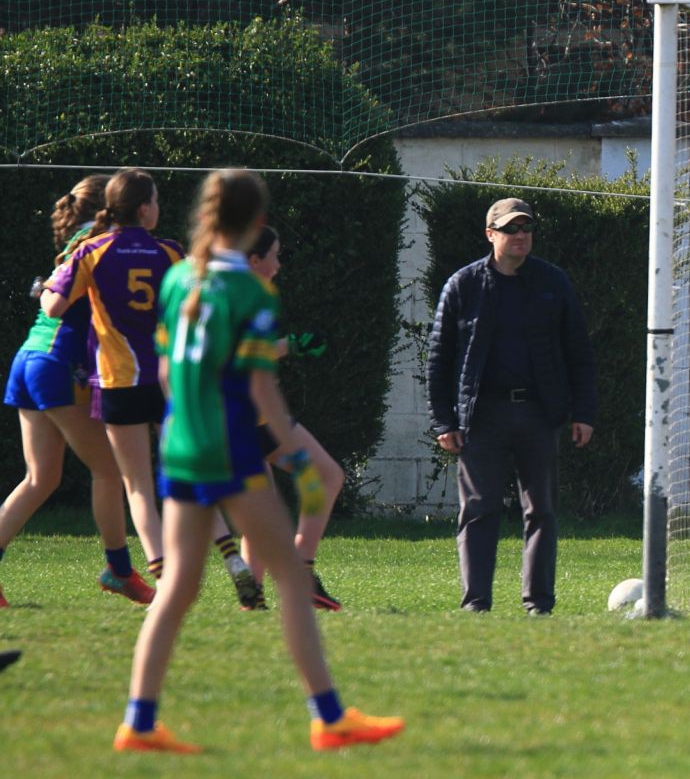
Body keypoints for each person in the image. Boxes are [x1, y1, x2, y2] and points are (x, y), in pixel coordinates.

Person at [113, 168, 403, 753]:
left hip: (180, 447)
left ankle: (138, 723)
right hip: (229, 449)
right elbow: (261, 390)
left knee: (179, 588)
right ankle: (328, 717)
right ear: (257, 222)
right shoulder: (250, 292)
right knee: (293, 577)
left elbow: (168, 373)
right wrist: (298, 459)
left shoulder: (179, 280)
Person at [41, 169, 258, 608]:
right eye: (156, 200)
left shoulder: (92, 251)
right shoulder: (169, 251)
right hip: (167, 379)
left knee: (138, 486)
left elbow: (54, 306)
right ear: (144, 208)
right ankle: (234, 561)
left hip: (118, 381)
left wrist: (52, 281)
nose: (159, 207)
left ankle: (164, 582)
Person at [427, 197, 597, 615]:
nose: (520, 235)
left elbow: (579, 351)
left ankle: (539, 604)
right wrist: (444, 420)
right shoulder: (463, 285)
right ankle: (476, 604)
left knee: (541, 510)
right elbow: (438, 356)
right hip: (482, 417)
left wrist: (584, 412)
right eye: (509, 229)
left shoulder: (552, 282)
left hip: (539, 415)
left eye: (526, 228)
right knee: (479, 509)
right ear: (491, 235)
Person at [0, 175, 151, 607]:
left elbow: (51, 295)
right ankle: (119, 570)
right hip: (58, 364)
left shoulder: (82, 241)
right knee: (109, 470)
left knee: (41, 478)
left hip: (30, 357)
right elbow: (61, 303)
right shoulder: (102, 242)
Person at [237, 226, 346, 612]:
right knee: (328, 476)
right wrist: (293, 345)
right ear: (254, 260)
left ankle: (252, 598)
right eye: (275, 256)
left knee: (263, 509)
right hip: (254, 415)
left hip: (233, 414)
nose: (279, 265)